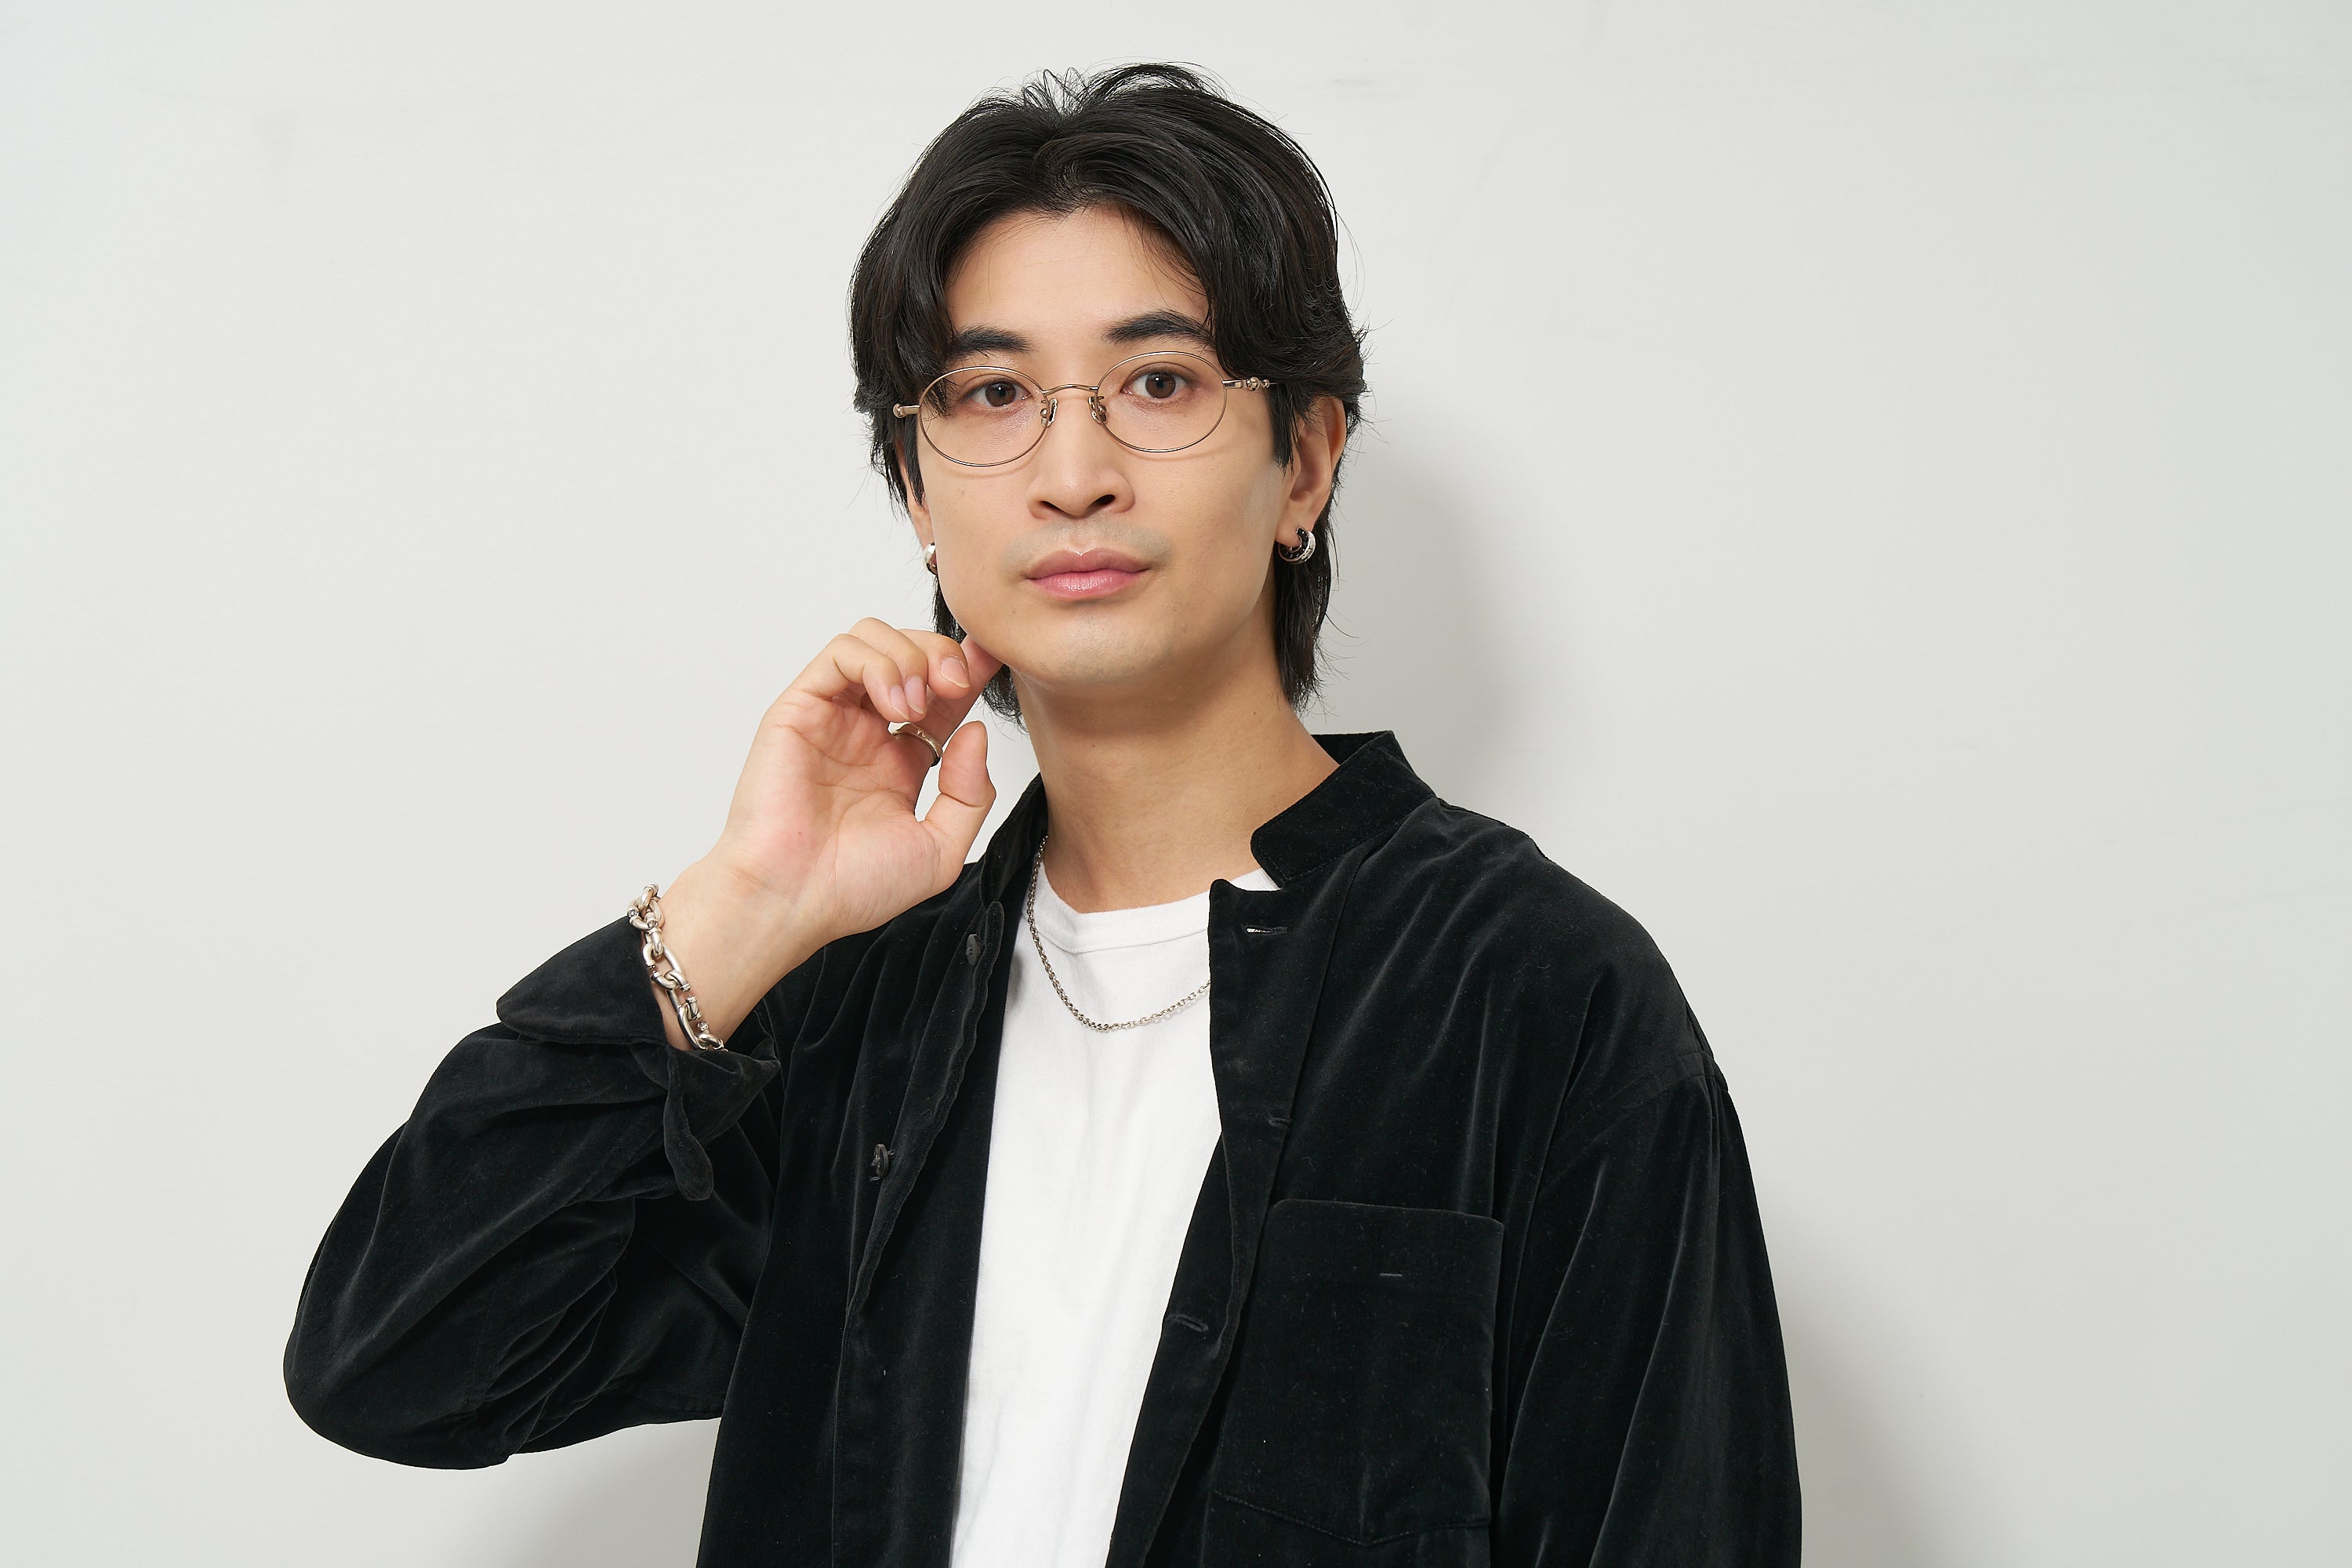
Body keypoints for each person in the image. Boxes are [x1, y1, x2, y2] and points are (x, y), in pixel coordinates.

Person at [284, 64, 1802, 1568]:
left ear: (1306, 463)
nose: (1073, 475)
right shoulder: (855, 1018)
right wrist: (747, 901)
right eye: (992, 395)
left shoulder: (1532, 996)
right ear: (916, 491)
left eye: (1161, 383)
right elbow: (399, 1356)